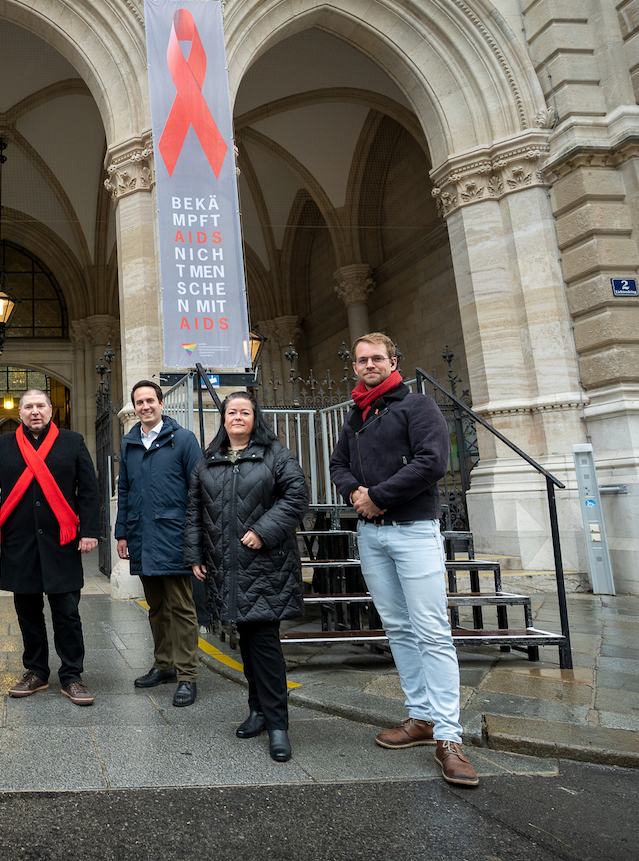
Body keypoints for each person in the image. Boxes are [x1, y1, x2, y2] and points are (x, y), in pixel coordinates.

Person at [328, 332, 478, 787]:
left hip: (413, 531)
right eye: (361, 360)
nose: (369, 364)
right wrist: (355, 493)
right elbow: (337, 465)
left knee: (432, 630)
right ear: (354, 366)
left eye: (377, 358)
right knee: (397, 627)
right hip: (372, 536)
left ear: (394, 361)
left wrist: (378, 497)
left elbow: (433, 461)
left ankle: (449, 737)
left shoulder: (418, 406)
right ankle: (421, 718)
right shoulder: (356, 414)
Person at [185, 390, 308, 762]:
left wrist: (263, 529)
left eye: (245, 412)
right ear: (222, 419)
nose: (237, 417)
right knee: (246, 643)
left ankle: (277, 725)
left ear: (255, 418)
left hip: (265, 565)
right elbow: (194, 512)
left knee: (265, 645)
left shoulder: (276, 455)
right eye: (231, 412)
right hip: (226, 567)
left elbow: (297, 496)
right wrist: (194, 555)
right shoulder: (207, 463)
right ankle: (256, 710)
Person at [0, 389, 101, 705]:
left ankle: (72, 675)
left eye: (41, 406)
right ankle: (36, 671)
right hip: (20, 542)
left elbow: (88, 491)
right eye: (29, 407)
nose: (35, 411)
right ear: (20, 413)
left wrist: (89, 531)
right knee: (27, 612)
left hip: (62, 541)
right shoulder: (2, 445)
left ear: (50, 411)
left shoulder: (72, 442)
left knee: (67, 612)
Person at [115, 379, 204, 707]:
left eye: (150, 401)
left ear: (161, 403)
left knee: (181, 606)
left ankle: (187, 675)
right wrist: (121, 532)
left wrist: (197, 536)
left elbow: (199, 490)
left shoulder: (182, 440)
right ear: (135, 407)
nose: (145, 407)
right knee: (156, 607)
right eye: (139, 402)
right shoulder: (128, 443)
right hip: (141, 536)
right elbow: (124, 489)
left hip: (175, 535)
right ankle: (164, 664)